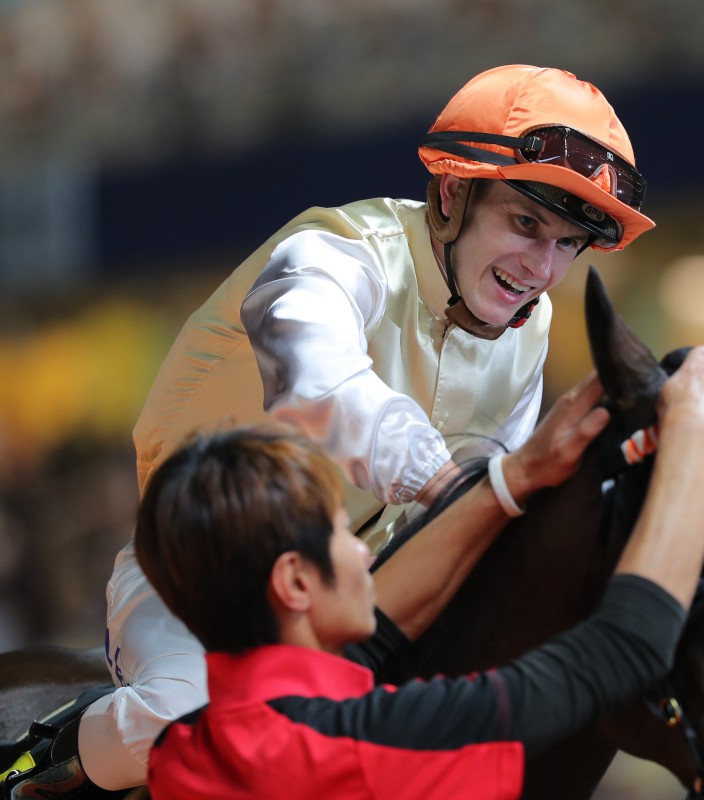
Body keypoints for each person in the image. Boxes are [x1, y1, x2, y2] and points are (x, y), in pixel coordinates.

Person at [5, 64, 655, 797]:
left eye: (568, 244)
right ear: (453, 194)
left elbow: (487, 515)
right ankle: (50, 758)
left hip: (364, 602)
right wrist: (454, 485)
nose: (540, 267)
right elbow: (319, 385)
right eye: (526, 224)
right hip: (201, 588)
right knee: (190, 717)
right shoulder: (335, 249)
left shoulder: (529, 334)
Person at [135, 346, 704, 798]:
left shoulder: (183, 749)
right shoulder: (366, 742)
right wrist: (693, 434)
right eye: (339, 535)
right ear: (296, 582)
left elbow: (375, 633)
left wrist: (513, 479)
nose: (362, 553)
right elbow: (624, 648)